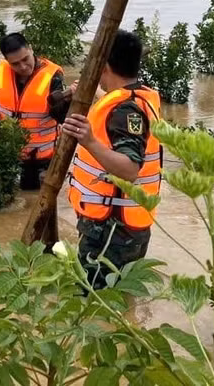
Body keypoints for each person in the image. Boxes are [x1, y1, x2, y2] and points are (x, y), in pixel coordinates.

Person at [62, 30, 162, 289]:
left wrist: (89, 140)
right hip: (127, 224)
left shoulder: (124, 110)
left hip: (112, 231)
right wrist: (96, 93)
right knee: (121, 297)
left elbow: (130, 169)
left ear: (103, 66)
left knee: (94, 303)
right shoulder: (138, 97)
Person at [0, 33, 77, 190]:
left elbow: (62, 117)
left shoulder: (53, 76)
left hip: (43, 158)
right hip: (9, 154)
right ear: (7, 61)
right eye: (16, 64)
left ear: (31, 49)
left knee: (37, 200)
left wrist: (68, 99)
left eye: (25, 59)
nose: (23, 67)